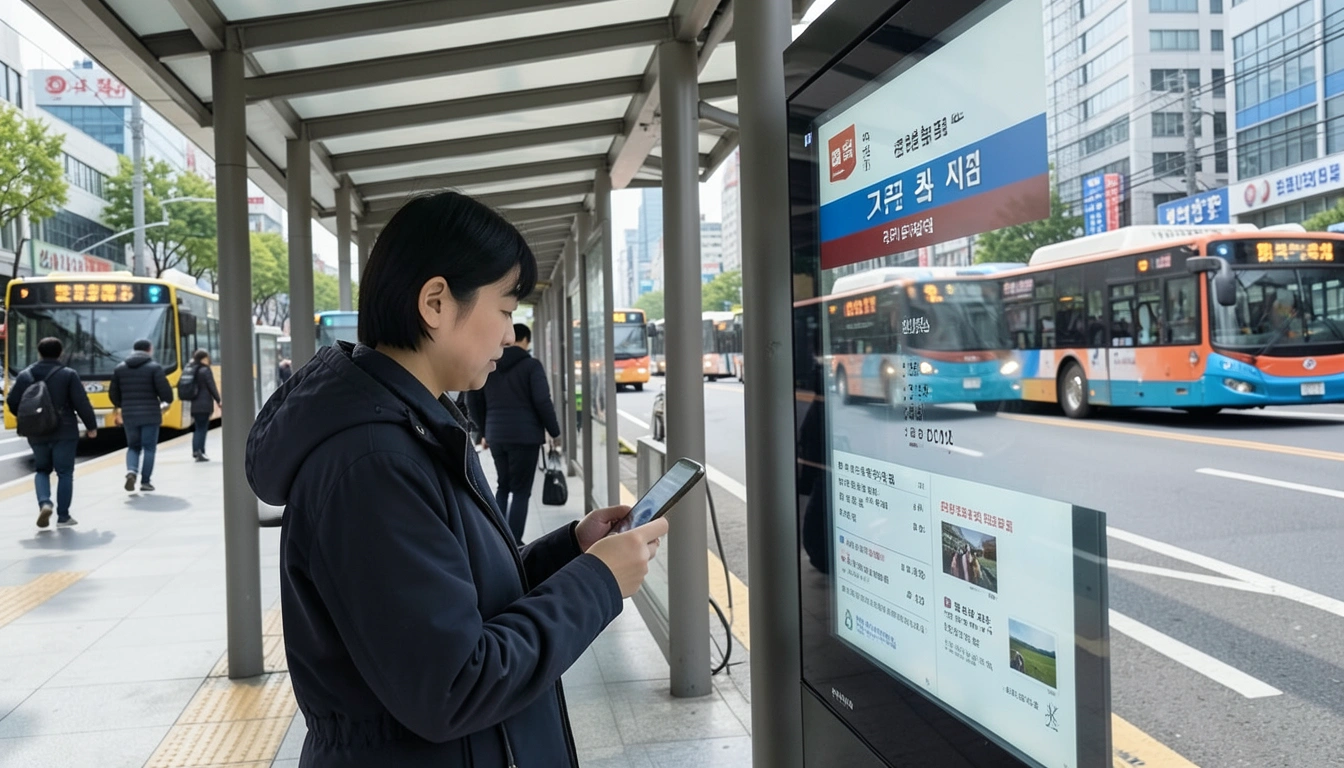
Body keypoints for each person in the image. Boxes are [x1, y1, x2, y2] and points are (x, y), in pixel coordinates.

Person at [245, 191, 667, 768]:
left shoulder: (408, 428)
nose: (507, 333)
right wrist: (597, 583)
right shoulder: (374, 464)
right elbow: (453, 685)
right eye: (503, 308)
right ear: (437, 302)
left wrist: (571, 551)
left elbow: (456, 597)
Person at [467, 322, 562, 543]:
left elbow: (474, 399)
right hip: (525, 438)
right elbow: (542, 401)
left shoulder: (490, 365)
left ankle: (499, 538)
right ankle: (514, 542)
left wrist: (484, 429)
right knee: (520, 491)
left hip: (496, 435)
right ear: (525, 340)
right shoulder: (531, 366)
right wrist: (554, 431)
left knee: (503, 486)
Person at [5, 337, 97, 527]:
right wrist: (91, 426)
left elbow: (13, 402)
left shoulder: (25, 375)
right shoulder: (68, 374)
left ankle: (45, 502)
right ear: (60, 352)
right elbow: (82, 403)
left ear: (39, 352)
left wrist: (30, 417)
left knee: (41, 469)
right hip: (64, 430)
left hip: (36, 431)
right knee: (64, 472)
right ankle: (63, 517)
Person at [110, 339, 173, 493]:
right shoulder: (154, 368)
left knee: (133, 447)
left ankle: (131, 471)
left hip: (129, 414)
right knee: (149, 448)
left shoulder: (120, 368)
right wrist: (164, 401)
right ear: (149, 350)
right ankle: (145, 481)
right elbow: (166, 394)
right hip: (151, 414)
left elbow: (113, 394)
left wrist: (123, 404)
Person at [187, 349, 221, 462]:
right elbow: (211, 386)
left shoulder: (192, 369)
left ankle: (196, 451)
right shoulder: (205, 370)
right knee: (202, 429)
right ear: (204, 358)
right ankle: (200, 451)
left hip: (195, 404)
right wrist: (218, 400)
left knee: (197, 428)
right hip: (204, 404)